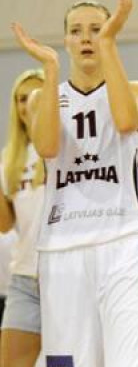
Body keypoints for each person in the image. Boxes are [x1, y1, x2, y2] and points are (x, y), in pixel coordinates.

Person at [11, 0, 138, 366]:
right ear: (66, 40)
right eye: (77, 31)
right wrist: (51, 68)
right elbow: (46, 147)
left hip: (122, 241)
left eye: (97, 28)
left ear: (111, 32)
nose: (87, 37)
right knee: (69, 362)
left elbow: (125, 121)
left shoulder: (137, 90)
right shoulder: (47, 95)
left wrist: (109, 44)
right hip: (62, 247)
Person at [0, 69, 46, 367]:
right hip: (24, 276)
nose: (25, 104)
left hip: (63, 274)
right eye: (20, 99)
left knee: (64, 361)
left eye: (33, 97)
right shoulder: (10, 158)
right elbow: (5, 225)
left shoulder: (64, 149)